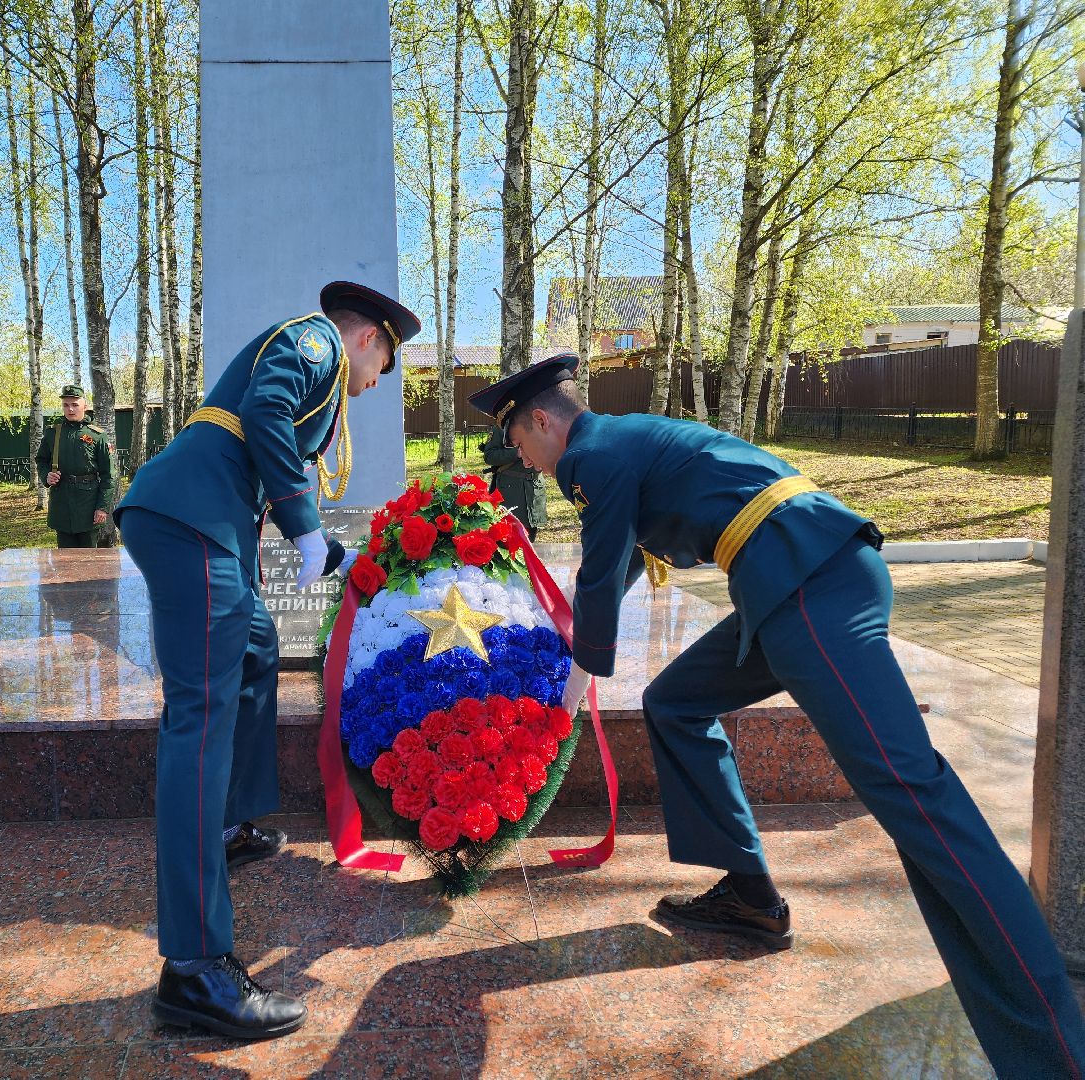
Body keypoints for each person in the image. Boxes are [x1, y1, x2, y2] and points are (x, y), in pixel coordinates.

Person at [468, 353, 1085, 1078]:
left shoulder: (591, 456)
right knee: (676, 702)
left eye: (519, 443)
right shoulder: (623, 442)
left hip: (807, 581)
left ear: (542, 420)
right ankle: (752, 899)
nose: (526, 462)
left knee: (914, 794)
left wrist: (568, 699)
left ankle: (1054, 1048)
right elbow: (628, 549)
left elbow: (598, 572)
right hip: (786, 582)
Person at [116, 281, 421, 1040]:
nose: (377, 381)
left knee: (254, 646)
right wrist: (306, 525)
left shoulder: (317, 352)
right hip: (193, 522)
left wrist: (339, 554)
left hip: (204, 523)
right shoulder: (316, 340)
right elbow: (265, 414)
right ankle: (193, 969)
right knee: (200, 723)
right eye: (385, 362)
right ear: (367, 338)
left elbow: (258, 446)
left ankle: (231, 826)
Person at [36, 384, 116, 548]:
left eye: (75, 404)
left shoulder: (97, 436)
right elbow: (41, 460)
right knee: (64, 560)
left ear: (84, 406)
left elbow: (109, 475)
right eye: (66, 405)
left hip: (88, 503)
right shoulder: (53, 433)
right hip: (61, 502)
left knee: (88, 559)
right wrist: (46, 476)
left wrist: (102, 507)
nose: (70, 409)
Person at [481, 421, 547, 540]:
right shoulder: (503, 426)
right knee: (509, 539)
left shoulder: (543, 424)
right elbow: (489, 456)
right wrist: (517, 453)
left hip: (534, 490)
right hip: (511, 493)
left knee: (530, 541)